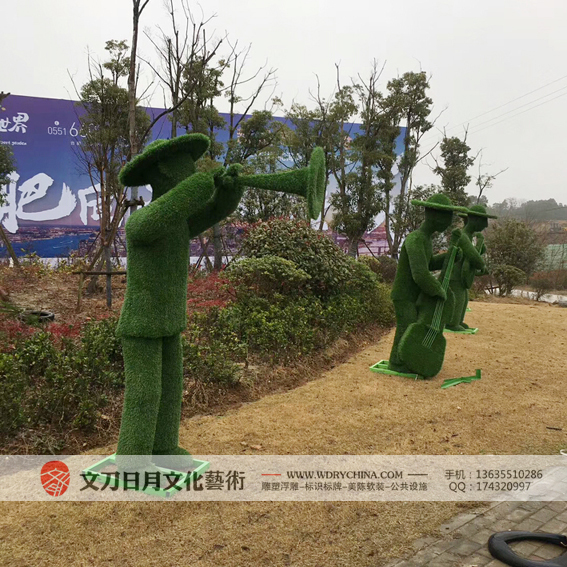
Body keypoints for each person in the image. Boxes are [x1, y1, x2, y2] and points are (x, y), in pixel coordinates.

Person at [388, 194, 467, 373]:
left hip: (415, 295)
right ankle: (397, 363)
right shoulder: (415, 239)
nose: (448, 223)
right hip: (404, 295)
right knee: (407, 325)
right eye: (446, 218)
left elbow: (429, 263)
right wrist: (438, 290)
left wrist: (449, 257)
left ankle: (406, 361)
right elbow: (420, 274)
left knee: (411, 325)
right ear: (434, 216)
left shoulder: (426, 239)